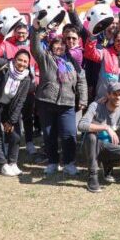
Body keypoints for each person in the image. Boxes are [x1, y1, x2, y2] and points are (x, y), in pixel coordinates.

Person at [31, 27, 87, 176]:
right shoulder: (45, 58)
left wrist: (82, 98)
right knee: (49, 134)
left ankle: (69, 163)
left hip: (67, 103)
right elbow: (35, 47)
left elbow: (81, 80)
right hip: (46, 102)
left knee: (69, 134)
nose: (60, 46)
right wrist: (36, 31)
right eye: (56, 44)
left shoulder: (73, 61)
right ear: (51, 46)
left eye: (62, 44)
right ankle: (52, 162)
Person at [0, 44, 33, 176]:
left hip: (7, 106)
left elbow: (20, 101)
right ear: (14, 59)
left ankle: (12, 162)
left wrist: (11, 120)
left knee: (15, 133)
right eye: (19, 60)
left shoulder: (26, 78)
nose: (22, 63)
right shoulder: (4, 66)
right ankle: (3, 164)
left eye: (25, 61)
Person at [78, 81, 120, 192]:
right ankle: (93, 176)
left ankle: (107, 165)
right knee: (91, 136)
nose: (117, 97)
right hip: (91, 147)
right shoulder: (96, 106)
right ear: (108, 94)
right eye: (114, 94)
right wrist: (105, 127)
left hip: (109, 147)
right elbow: (81, 125)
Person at [0, 22, 40, 155]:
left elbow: (37, 63)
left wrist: (36, 76)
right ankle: (8, 142)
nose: (21, 35)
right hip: (11, 87)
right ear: (14, 32)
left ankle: (29, 142)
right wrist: (0, 35)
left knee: (28, 116)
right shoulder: (7, 44)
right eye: (19, 32)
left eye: (24, 33)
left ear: (28, 33)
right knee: (12, 116)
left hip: (28, 86)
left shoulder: (32, 45)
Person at [84, 30, 120, 99]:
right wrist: (92, 38)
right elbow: (90, 53)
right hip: (104, 98)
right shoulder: (106, 53)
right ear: (114, 42)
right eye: (118, 40)